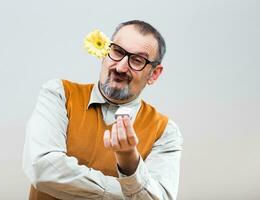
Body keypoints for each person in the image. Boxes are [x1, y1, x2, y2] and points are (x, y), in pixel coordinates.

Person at [23, 20, 183, 200]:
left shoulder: (165, 132)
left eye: (137, 60)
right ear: (104, 52)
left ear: (154, 74)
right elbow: (42, 169)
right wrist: (128, 191)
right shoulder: (59, 94)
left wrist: (129, 161)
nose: (121, 67)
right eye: (117, 52)